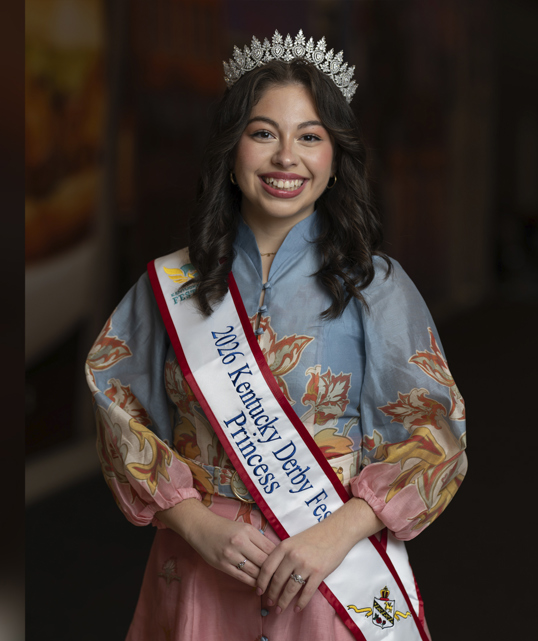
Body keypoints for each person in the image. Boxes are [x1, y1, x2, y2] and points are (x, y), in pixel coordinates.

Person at [85, 30, 468, 640]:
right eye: (264, 133)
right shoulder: (172, 283)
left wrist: (334, 535)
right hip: (201, 574)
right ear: (232, 152)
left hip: (327, 579)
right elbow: (115, 400)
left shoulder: (376, 286)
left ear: (334, 159)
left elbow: (435, 435)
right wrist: (193, 521)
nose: (286, 157)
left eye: (310, 137)